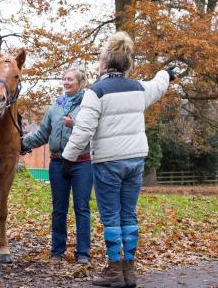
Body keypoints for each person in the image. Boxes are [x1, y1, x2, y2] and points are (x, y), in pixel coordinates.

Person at [62, 31, 177, 288]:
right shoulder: (138, 88)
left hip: (108, 162)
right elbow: (157, 85)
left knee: (111, 216)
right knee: (129, 215)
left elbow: (83, 130)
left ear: (105, 63)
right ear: (127, 63)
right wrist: (166, 74)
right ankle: (130, 270)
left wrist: (68, 159)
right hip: (135, 160)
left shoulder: (96, 92)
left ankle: (114, 269)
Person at [21, 67, 93, 264]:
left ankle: (83, 253)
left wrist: (75, 124)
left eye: (70, 79)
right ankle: (57, 251)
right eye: (64, 79)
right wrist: (21, 144)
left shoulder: (88, 106)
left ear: (81, 83)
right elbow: (43, 133)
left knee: (81, 207)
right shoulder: (56, 107)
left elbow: (93, 131)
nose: (66, 82)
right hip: (58, 163)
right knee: (59, 209)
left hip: (82, 163)